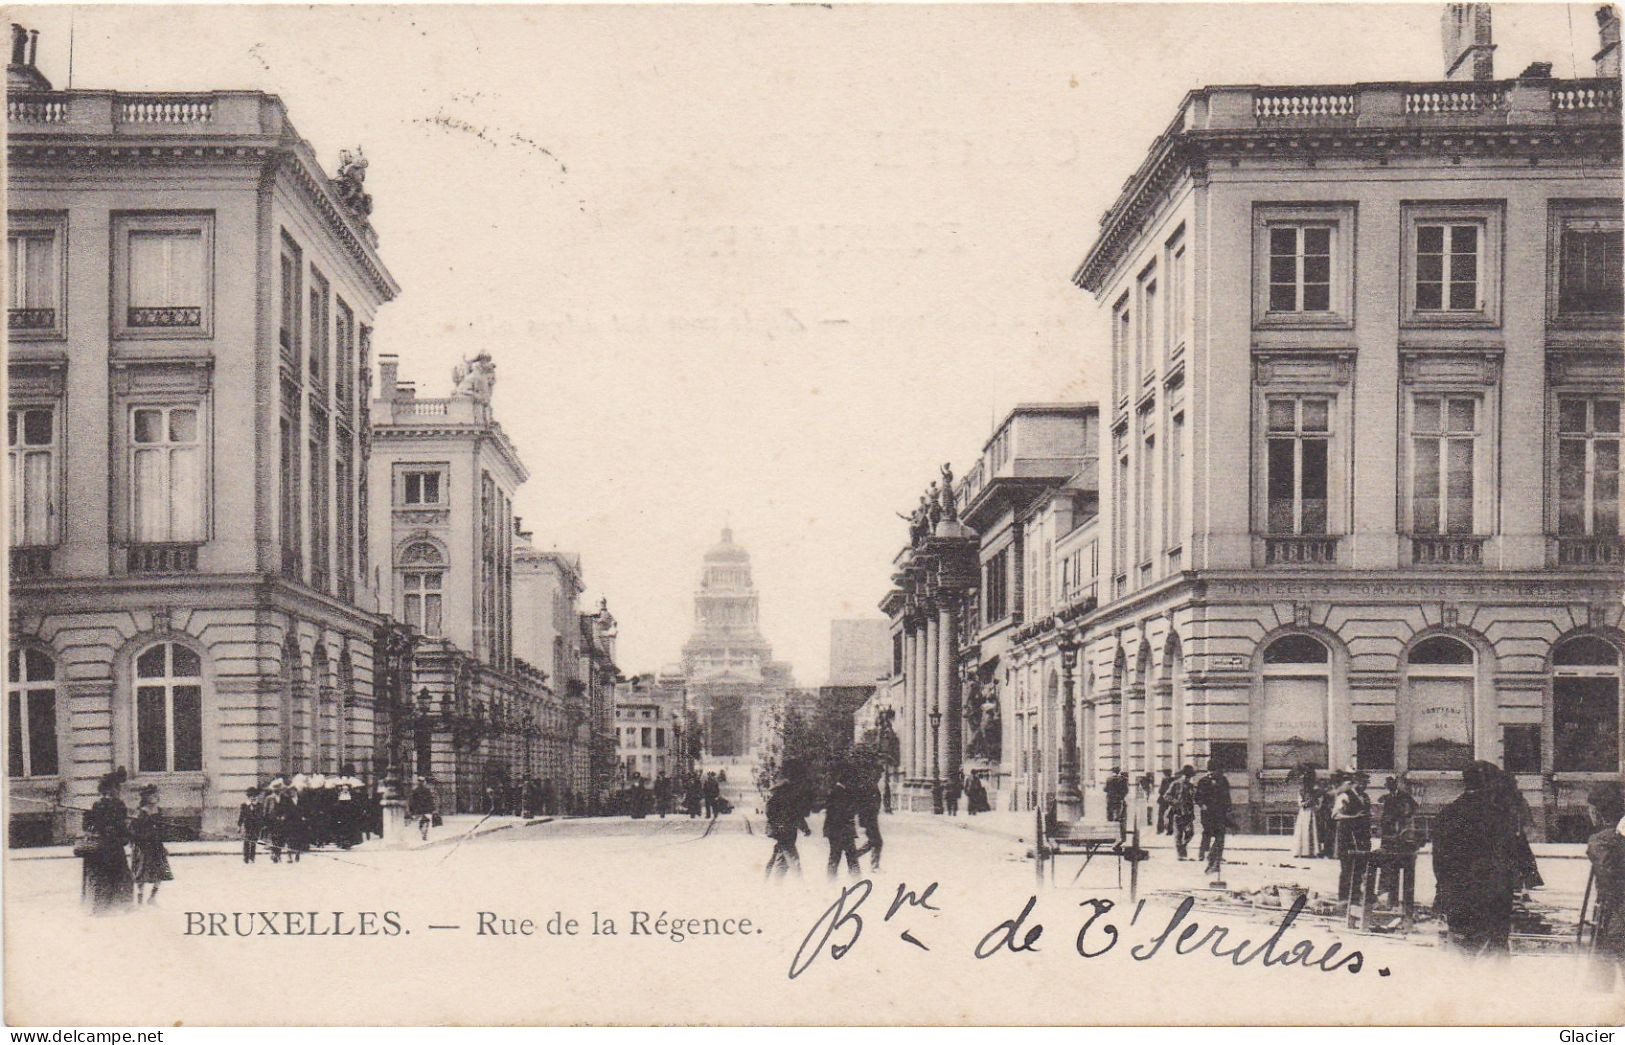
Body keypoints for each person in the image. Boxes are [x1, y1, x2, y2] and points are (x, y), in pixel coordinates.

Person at [1431, 761, 1519, 957]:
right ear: (1490, 784)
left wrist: (1443, 892)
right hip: (1493, 899)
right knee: (1494, 960)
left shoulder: (1446, 814)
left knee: (1460, 956)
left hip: (1457, 897)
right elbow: (1509, 859)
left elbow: (1439, 863)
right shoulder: (1501, 816)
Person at [1584, 783, 1625, 990]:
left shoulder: (1601, 840)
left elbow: (1608, 878)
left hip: (1614, 912)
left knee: (1603, 967)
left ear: (1597, 811)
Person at [81, 769, 134, 915]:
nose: (118, 791)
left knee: (108, 875)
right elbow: (121, 825)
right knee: (118, 874)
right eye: (116, 788)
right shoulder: (115, 805)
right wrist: (126, 836)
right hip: (110, 846)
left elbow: (88, 825)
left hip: (107, 845)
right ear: (110, 789)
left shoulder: (98, 805)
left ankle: (104, 906)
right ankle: (116, 906)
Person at [129, 784, 174, 905]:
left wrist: (162, 832)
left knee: (160, 872)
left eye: (156, 794)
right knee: (142, 873)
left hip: (157, 846)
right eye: (151, 795)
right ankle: (140, 899)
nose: (154, 797)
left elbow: (162, 828)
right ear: (146, 797)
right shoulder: (141, 812)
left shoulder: (159, 811)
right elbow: (133, 830)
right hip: (144, 847)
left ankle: (152, 898)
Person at [1332, 772, 1373, 903]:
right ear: (1355, 783)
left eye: (1366, 783)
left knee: (1360, 867)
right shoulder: (1345, 796)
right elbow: (1335, 816)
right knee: (1347, 867)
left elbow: (1366, 813)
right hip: (1347, 836)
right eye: (1362, 783)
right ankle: (1344, 898)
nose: (1364, 786)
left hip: (1363, 837)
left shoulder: (1365, 797)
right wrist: (1354, 817)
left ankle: (1355, 896)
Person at [764, 774, 812, 878]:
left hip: (787, 833)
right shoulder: (776, 801)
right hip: (783, 834)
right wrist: (805, 829)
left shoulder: (790, 801)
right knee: (794, 859)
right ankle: (800, 884)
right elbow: (770, 816)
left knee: (782, 860)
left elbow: (798, 816)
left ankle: (775, 883)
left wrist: (805, 828)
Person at [823, 776, 861, 878]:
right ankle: (856, 881)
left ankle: (831, 881)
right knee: (849, 857)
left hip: (837, 831)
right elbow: (841, 813)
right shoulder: (839, 792)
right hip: (841, 831)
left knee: (836, 857)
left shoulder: (836, 791)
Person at [1195, 767, 1231, 875]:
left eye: (1216, 771)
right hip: (1207, 814)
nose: (1213, 774)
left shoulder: (1223, 780)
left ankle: (1214, 858)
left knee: (1220, 835)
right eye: (1211, 771)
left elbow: (1227, 796)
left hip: (1220, 813)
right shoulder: (1203, 781)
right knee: (1207, 833)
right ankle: (1203, 853)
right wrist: (1202, 805)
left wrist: (1229, 808)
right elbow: (1197, 797)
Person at [854, 768, 885, 870]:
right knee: (877, 841)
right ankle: (874, 866)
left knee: (874, 841)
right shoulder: (868, 787)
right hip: (869, 820)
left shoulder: (872, 786)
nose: (880, 776)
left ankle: (854, 856)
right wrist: (862, 824)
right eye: (879, 773)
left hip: (872, 819)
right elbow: (861, 806)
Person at [1288, 764, 1320, 859]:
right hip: (1304, 812)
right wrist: (1306, 802)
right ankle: (1303, 851)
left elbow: (1318, 802)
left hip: (1311, 811)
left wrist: (1314, 802)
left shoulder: (1315, 790)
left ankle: (1312, 851)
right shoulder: (1302, 791)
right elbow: (1300, 803)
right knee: (1304, 830)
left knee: (1311, 830)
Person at [238, 788, 262, 864]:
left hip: (255, 826)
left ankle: (252, 857)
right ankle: (246, 857)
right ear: (248, 797)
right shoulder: (244, 805)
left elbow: (260, 816)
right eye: (251, 796)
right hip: (247, 826)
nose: (253, 798)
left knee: (253, 842)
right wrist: (239, 826)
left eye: (254, 796)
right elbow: (241, 816)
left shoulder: (259, 805)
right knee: (246, 842)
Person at [1104, 767, 1129, 832]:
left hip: (1110, 800)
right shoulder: (1123, 779)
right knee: (1119, 815)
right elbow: (1126, 790)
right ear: (1119, 772)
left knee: (1110, 814)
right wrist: (1122, 796)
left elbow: (1105, 789)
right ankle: (1119, 829)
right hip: (1119, 799)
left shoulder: (1108, 779)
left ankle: (1110, 830)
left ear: (1112, 772)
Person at [1156, 769, 1175, 835]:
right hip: (1169, 800)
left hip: (1163, 800)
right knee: (1170, 815)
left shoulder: (1164, 781)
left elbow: (1160, 791)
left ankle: (1160, 830)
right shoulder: (1173, 780)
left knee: (1161, 815)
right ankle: (1169, 830)